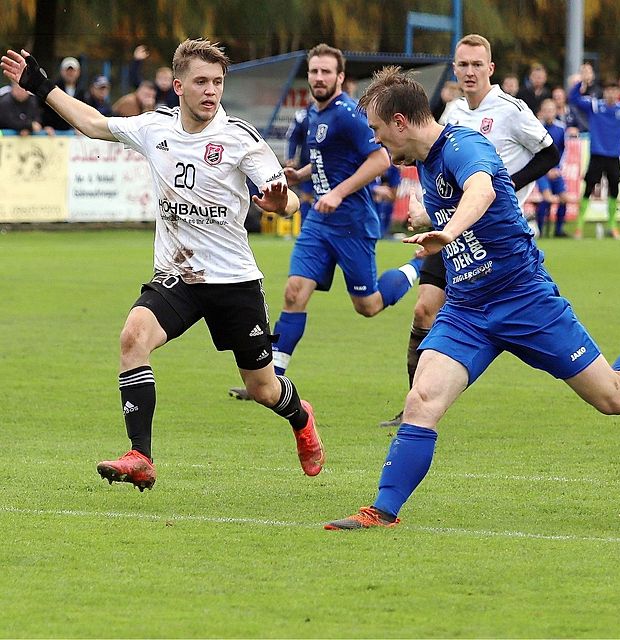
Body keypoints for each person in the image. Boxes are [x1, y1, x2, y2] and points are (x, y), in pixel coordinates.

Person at [324, 66, 620, 530]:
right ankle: (383, 511)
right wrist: (430, 214)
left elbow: (482, 189)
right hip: (468, 309)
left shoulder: (464, 144)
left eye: (378, 131)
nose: (377, 142)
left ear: (402, 123)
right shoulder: (426, 160)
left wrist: (447, 230)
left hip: (525, 299)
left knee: (614, 397)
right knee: (421, 399)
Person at [1, 40, 326, 490]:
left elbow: (286, 199)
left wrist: (280, 202)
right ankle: (140, 455)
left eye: (217, 82)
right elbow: (93, 124)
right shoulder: (156, 128)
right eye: (201, 82)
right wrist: (41, 85)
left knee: (262, 389)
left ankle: (300, 415)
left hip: (233, 281)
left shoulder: (239, 139)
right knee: (133, 336)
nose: (211, 91)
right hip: (178, 275)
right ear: (178, 86)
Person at [378, 33, 558, 427]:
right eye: (464, 65)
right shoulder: (452, 113)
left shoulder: (510, 109)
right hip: (449, 230)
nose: (470, 71)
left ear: (490, 69)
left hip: (492, 235)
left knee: (490, 315)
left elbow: (550, 151)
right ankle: (414, 407)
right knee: (425, 307)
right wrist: (430, 210)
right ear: (455, 68)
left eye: (478, 65)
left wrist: (501, 182)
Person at [227, 43, 421, 400]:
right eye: (314, 71)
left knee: (368, 306)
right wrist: (299, 176)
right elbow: (328, 162)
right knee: (294, 292)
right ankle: (270, 382)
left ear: (340, 77)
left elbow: (380, 160)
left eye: (325, 72)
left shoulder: (349, 113)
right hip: (319, 220)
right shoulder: (314, 114)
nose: (318, 77)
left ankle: (418, 266)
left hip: (352, 223)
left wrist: (337, 193)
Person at [568, 75, 620, 240]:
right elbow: (574, 99)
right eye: (609, 91)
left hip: (614, 156)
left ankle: (612, 226)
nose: (611, 94)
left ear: (618, 93)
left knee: (614, 190)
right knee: (588, 189)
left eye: (614, 91)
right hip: (597, 154)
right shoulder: (595, 106)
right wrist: (582, 82)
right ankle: (579, 227)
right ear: (604, 92)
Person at [534, 98, 569, 237]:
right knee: (547, 198)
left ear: (556, 111)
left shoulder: (561, 128)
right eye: (546, 110)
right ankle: (541, 231)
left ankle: (558, 230)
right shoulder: (536, 127)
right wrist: (546, 169)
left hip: (556, 170)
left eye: (551, 110)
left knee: (564, 198)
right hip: (542, 171)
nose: (549, 113)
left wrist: (558, 168)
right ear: (541, 112)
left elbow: (564, 151)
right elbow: (534, 152)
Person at [41, 56, 81, 132]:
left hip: (74, 135)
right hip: (53, 132)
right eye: (67, 71)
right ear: (62, 71)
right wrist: (46, 126)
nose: (70, 73)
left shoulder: (82, 91)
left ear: (78, 72)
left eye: (72, 71)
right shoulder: (53, 88)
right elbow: (46, 109)